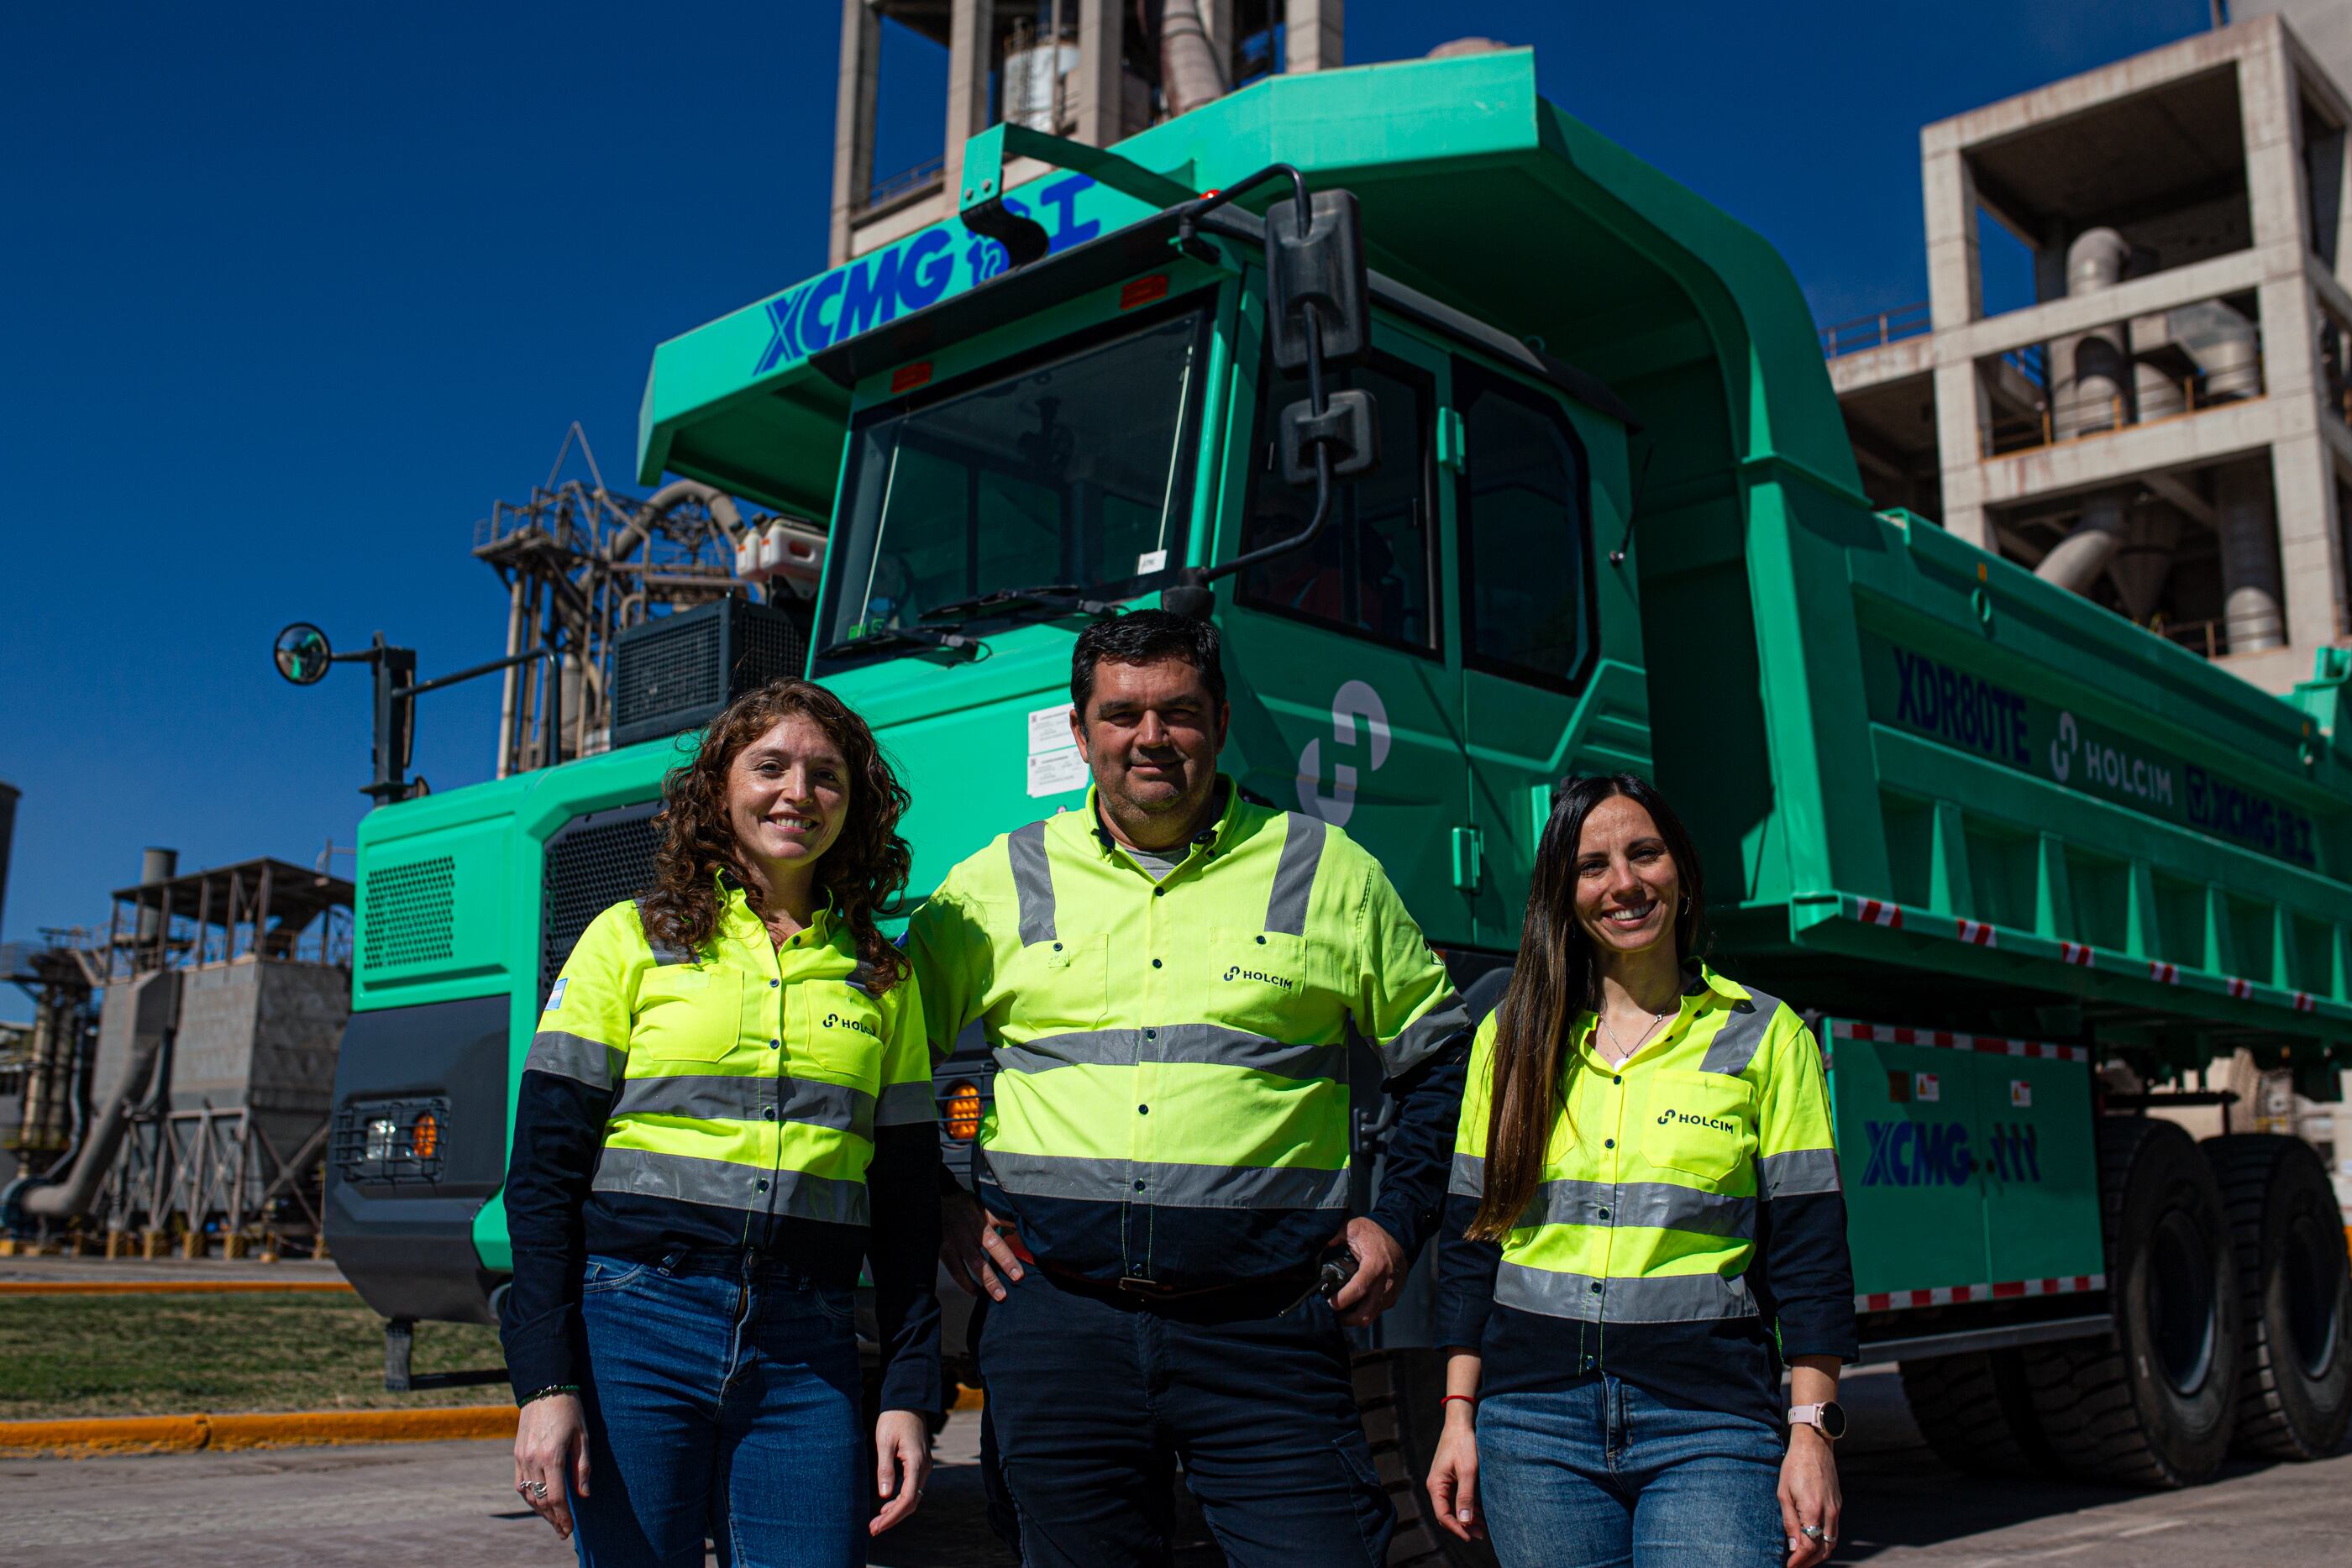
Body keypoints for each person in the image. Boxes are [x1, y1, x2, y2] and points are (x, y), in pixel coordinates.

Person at [907, 609, 1471, 1567]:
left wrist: (1400, 1217)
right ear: (1080, 732)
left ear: (1218, 721)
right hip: (1058, 1327)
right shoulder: (993, 882)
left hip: (1266, 1334)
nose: (1150, 738)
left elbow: (1444, 1062)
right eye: (1122, 714)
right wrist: (942, 1201)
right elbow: (880, 1060)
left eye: (1178, 711)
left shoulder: (1326, 871)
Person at [501, 678, 942, 1567]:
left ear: (853, 805)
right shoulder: (627, 940)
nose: (796, 793)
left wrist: (908, 1389)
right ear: (718, 790)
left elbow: (904, 1207)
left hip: (807, 1346)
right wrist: (545, 1383)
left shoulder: (881, 978)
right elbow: (543, 1174)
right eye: (769, 766)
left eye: (826, 776)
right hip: (635, 1327)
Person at [1424, 772, 1856, 1568]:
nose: (1623, 883)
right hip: (1532, 1429)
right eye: (1594, 865)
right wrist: (1458, 1415)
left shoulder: (1766, 1037)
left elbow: (1812, 1260)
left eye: (1645, 854)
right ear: (1565, 890)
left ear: (1682, 872)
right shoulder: (1510, 1041)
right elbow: (1468, 1250)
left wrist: (1811, 1432)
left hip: (1711, 1426)